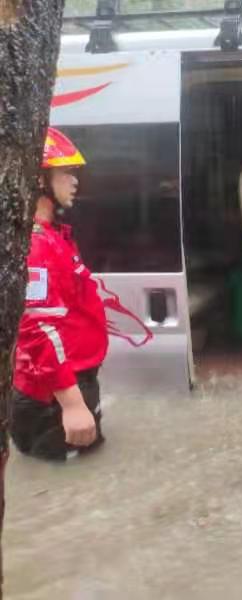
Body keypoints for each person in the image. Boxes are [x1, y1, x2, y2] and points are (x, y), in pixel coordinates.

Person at [10, 127, 108, 461]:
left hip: (66, 386)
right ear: (40, 180)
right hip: (52, 398)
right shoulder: (35, 245)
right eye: (67, 172)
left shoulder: (55, 236)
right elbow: (34, 328)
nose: (75, 181)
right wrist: (72, 403)